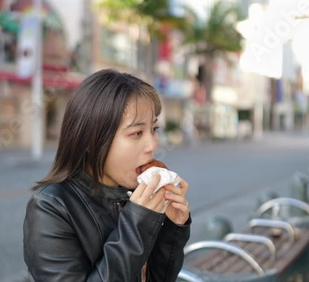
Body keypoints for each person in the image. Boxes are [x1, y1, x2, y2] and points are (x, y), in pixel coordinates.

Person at [23, 69, 191, 281]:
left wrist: (172, 228)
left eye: (154, 129)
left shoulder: (133, 194)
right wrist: (137, 223)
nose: (153, 144)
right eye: (137, 133)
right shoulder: (51, 207)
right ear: (91, 141)